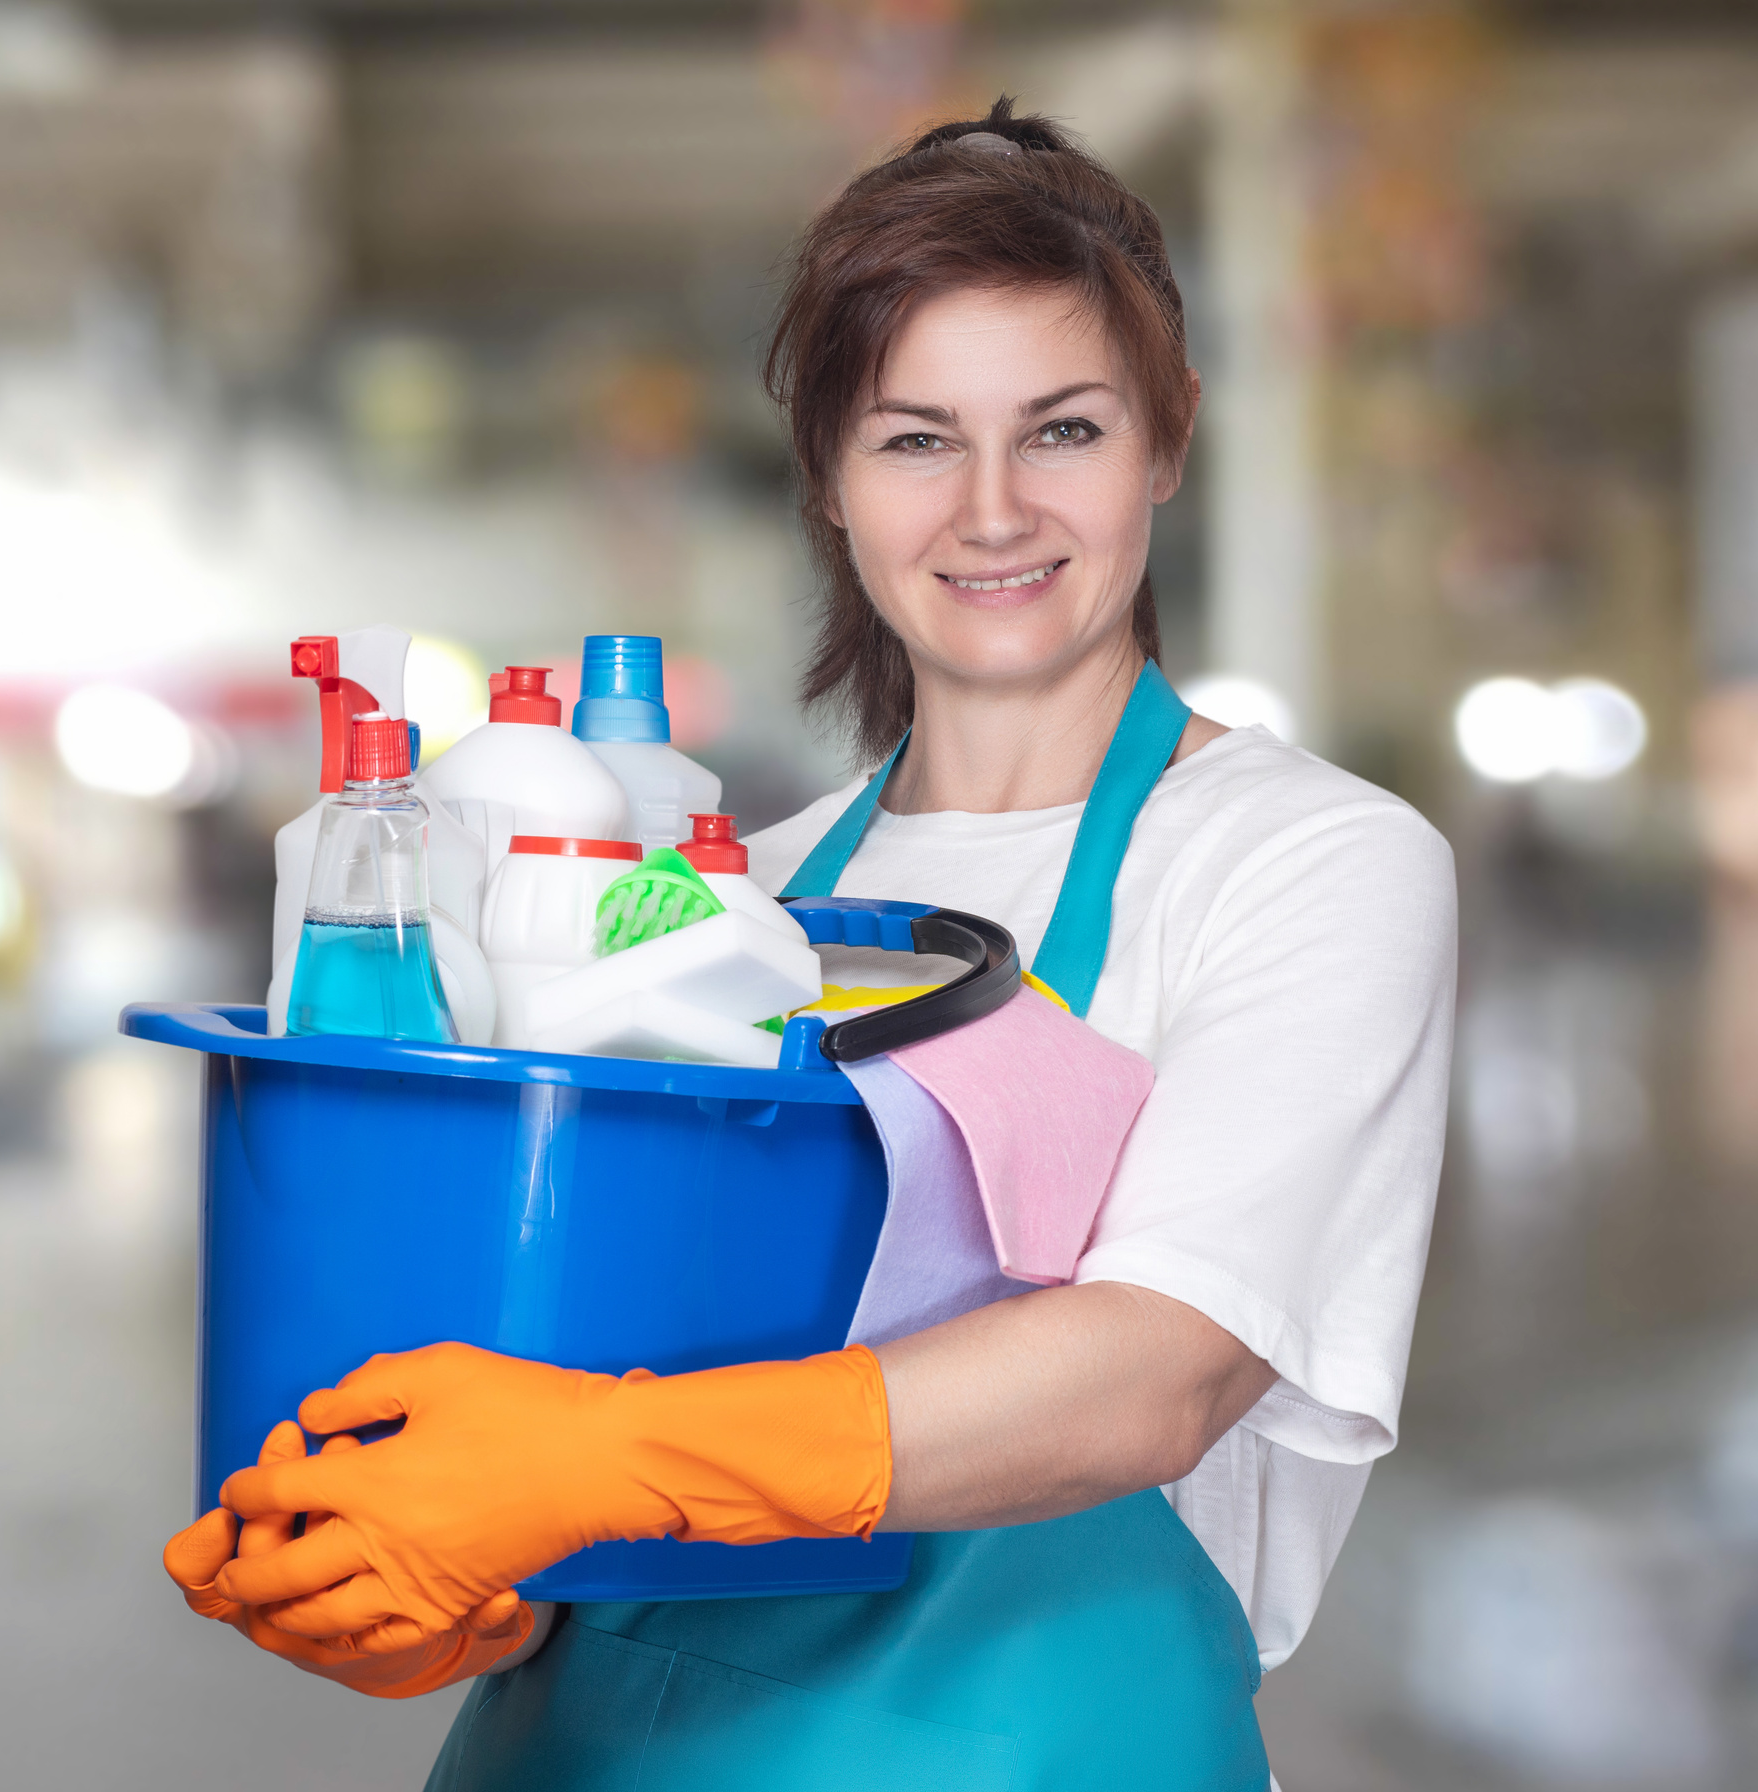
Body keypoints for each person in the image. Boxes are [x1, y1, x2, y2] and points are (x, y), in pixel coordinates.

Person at [165, 101, 1456, 1785]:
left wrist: (598, 1456)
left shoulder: (1305, 864)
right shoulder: (717, 899)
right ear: (830, 478)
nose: (991, 509)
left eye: (1059, 429)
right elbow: (567, 1381)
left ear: (1166, 439)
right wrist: (454, 1582)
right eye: (916, 439)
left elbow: (1159, 1373)